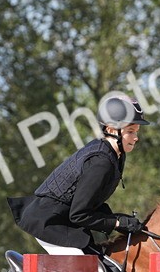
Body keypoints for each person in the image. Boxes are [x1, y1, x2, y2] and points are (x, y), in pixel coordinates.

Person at [8, 92, 150, 257]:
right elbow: (79, 214)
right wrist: (116, 223)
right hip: (48, 221)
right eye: (130, 131)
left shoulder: (115, 155)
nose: (136, 137)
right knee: (85, 266)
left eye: (136, 131)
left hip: (65, 220)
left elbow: (89, 203)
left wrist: (118, 219)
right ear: (111, 129)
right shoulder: (101, 162)